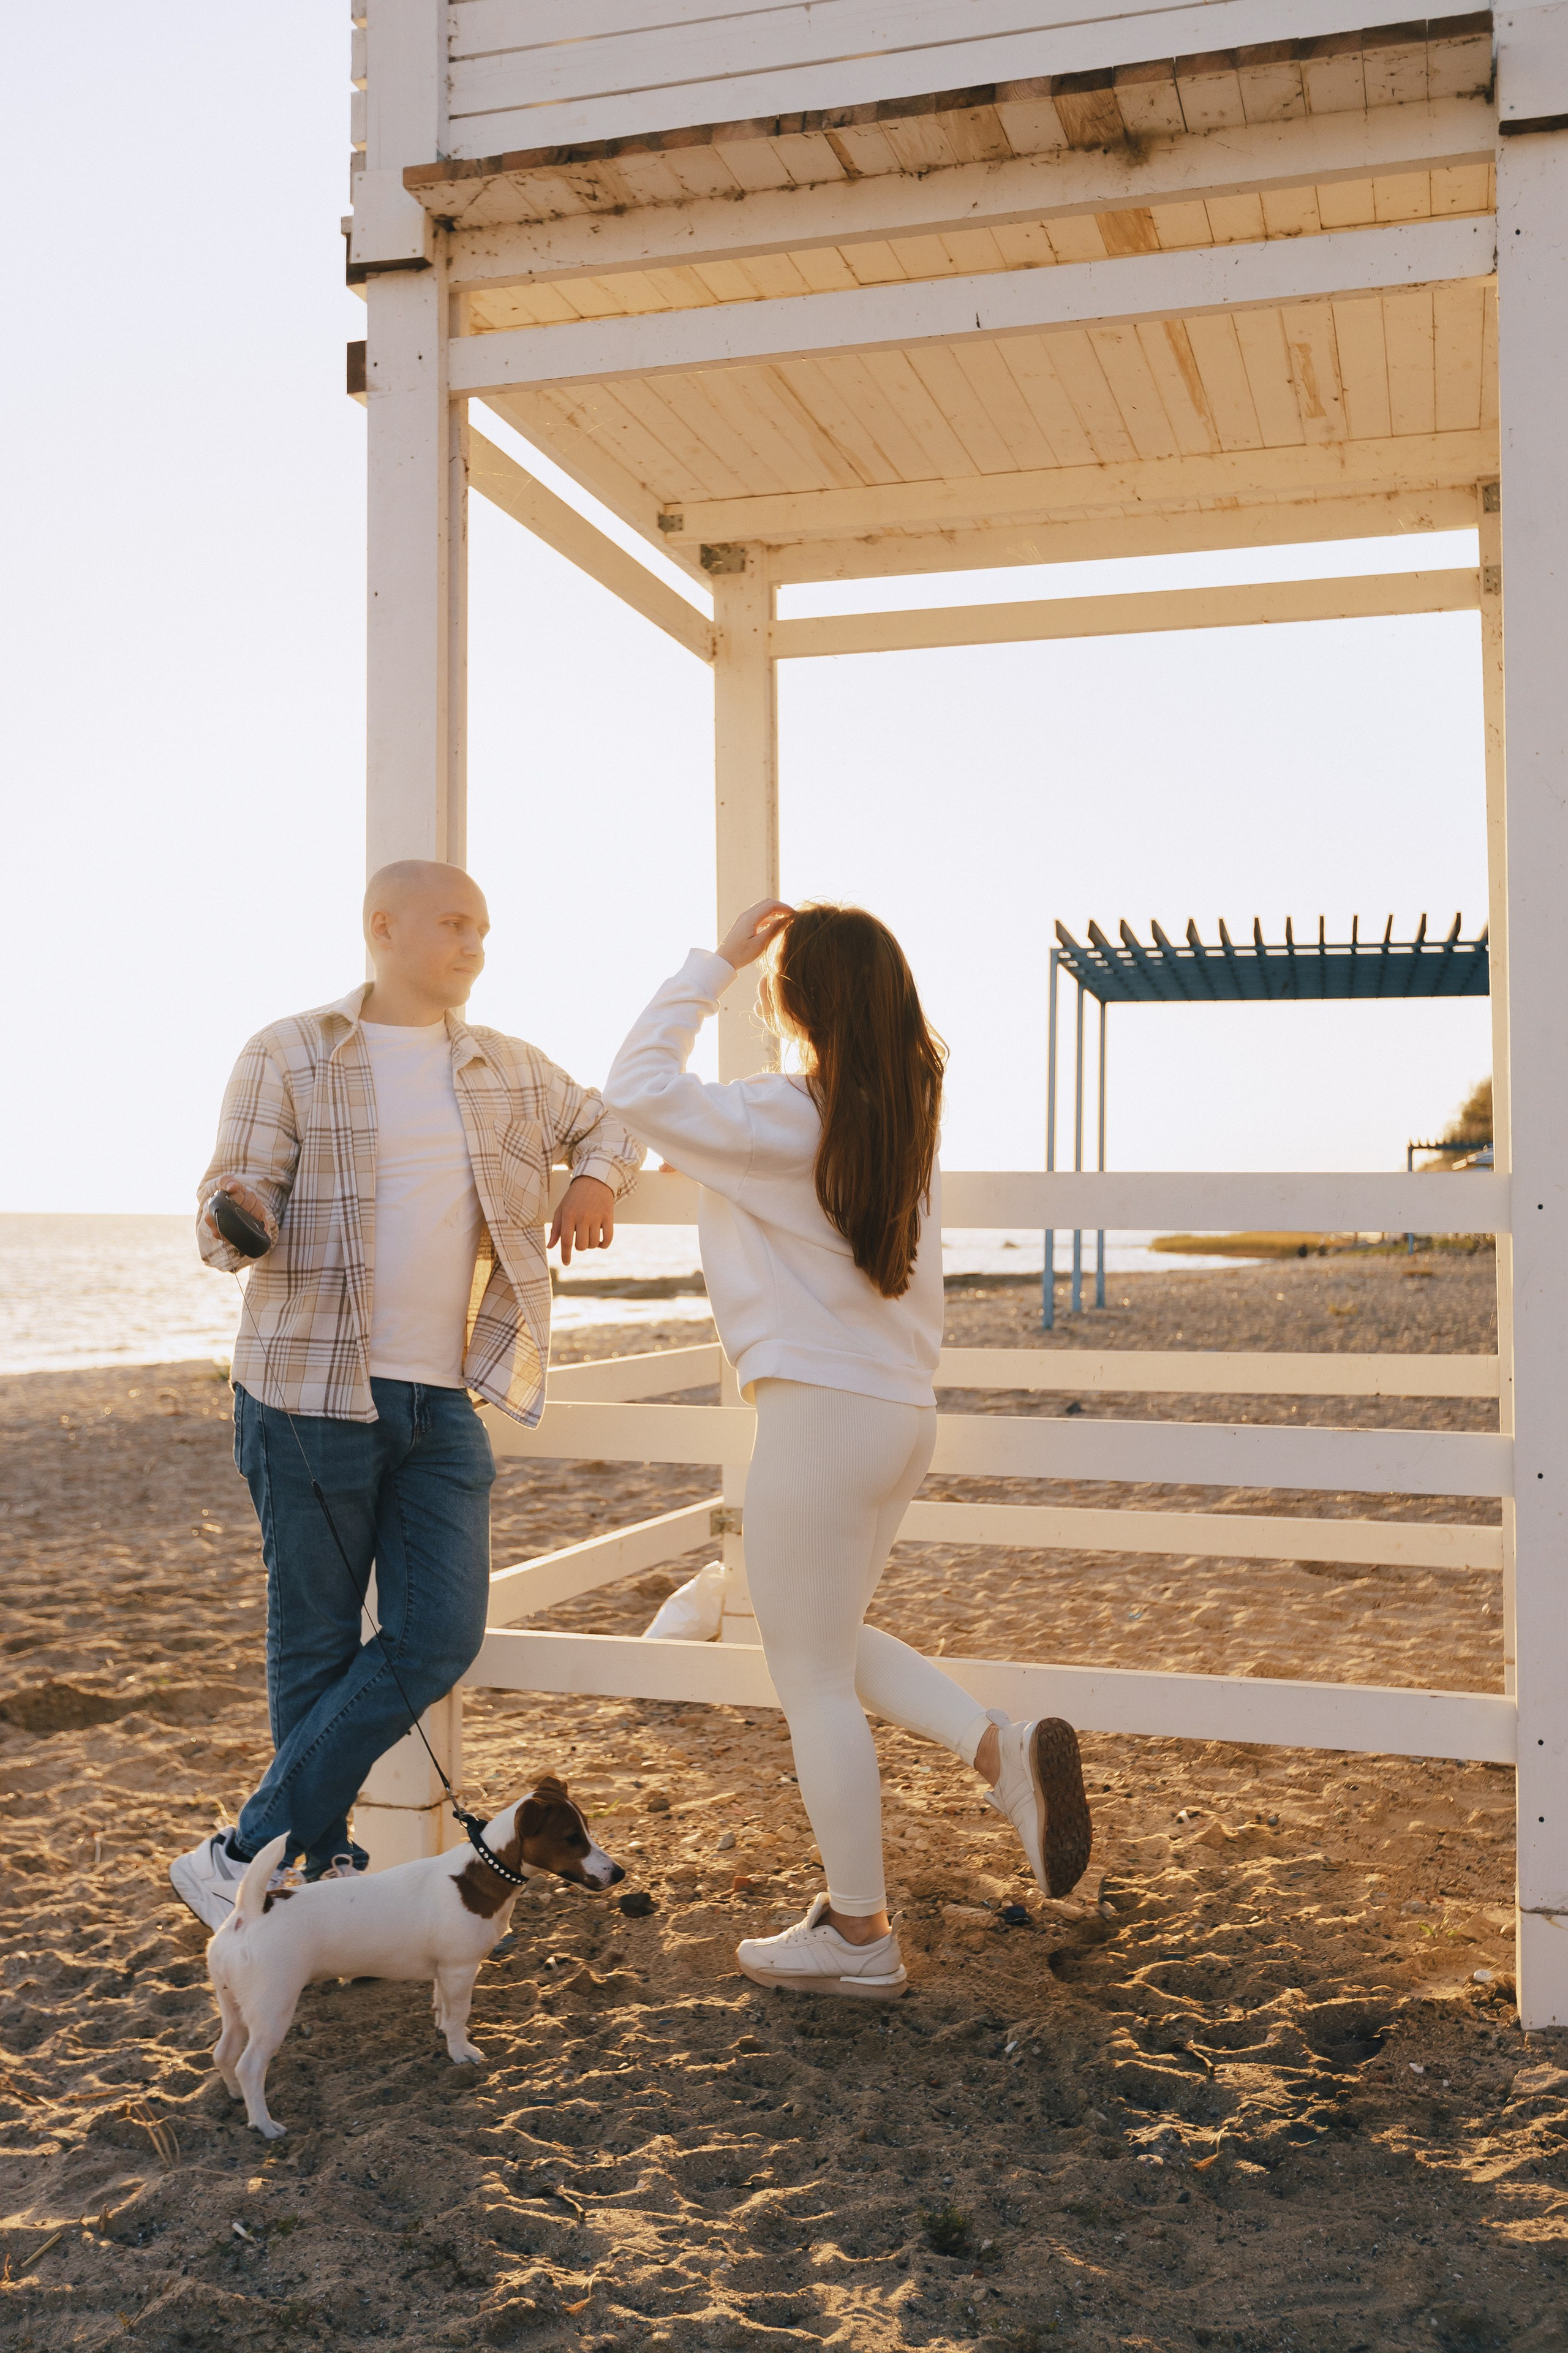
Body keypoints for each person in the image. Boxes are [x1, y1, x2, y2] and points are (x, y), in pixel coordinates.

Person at [603, 899, 1091, 2000]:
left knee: (810, 1673)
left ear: (794, 999)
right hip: (896, 1416)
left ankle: (860, 1933)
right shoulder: (901, 1118)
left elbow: (633, 1087)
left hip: (820, 1416)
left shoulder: (788, 1114)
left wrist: (714, 962)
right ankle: (997, 1757)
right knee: (823, 1635)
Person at [168, 861, 643, 1930]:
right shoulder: (287, 1050)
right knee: (317, 1642)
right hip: (305, 1390)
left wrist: (599, 1174)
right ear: (382, 927)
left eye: (483, 927)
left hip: (443, 1400)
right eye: (453, 924)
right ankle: (317, 1866)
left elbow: (612, 1121)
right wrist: (236, 1209)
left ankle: (244, 1849)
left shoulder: (509, 1067)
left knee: (437, 1630)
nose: (475, 944)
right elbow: (224, 1203)